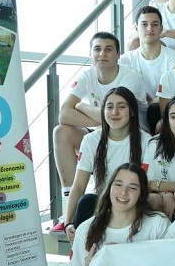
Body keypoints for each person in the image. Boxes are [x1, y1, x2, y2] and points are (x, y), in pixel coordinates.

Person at [51, 32, 146, 232]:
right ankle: (68, 209)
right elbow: (64, 115)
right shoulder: (87, 76)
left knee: (116, 112)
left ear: (118, 54)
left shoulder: (130, 77)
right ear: (91, 53)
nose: (102, 54)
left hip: (132, 133)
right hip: (102, 133)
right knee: (61, 132)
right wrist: (106, 119)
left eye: (108, 49)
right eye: (97, 49)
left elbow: (122, 112)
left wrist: (83, 107)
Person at [68, 164, 171, 266]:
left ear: (142, 193)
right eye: (118, 184)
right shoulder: (85, 229)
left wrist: (128, 257)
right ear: (109, 188)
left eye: (132, 187)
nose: (123, 192)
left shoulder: (158, 225)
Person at [64, 87, 147, 234]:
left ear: (132, 111)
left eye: (121, 107)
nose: (114, 112)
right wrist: (68, 223)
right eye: (109, 107)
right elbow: (79, 185)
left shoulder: (146, 142)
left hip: (131, 202)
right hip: (102, 204)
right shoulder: (91, 140)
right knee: (86, 202)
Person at [120, 6, 175, 129]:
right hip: (133, 116)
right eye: (144, 24)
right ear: (136, 28)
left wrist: (154, 101)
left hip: (164, 115)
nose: (149, 29)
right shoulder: (125, 60)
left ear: (161, 28)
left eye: (154, 24)